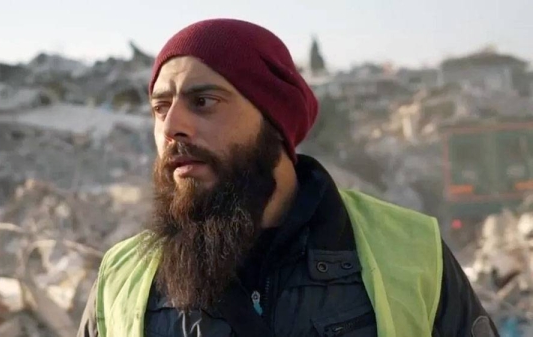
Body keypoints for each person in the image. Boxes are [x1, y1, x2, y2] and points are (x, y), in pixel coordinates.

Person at [78, 18, 498, 337]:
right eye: (159, 107)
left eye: (203, 101)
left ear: (273, 121)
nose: (172, 127)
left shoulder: (410, 252)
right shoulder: (122, 279)